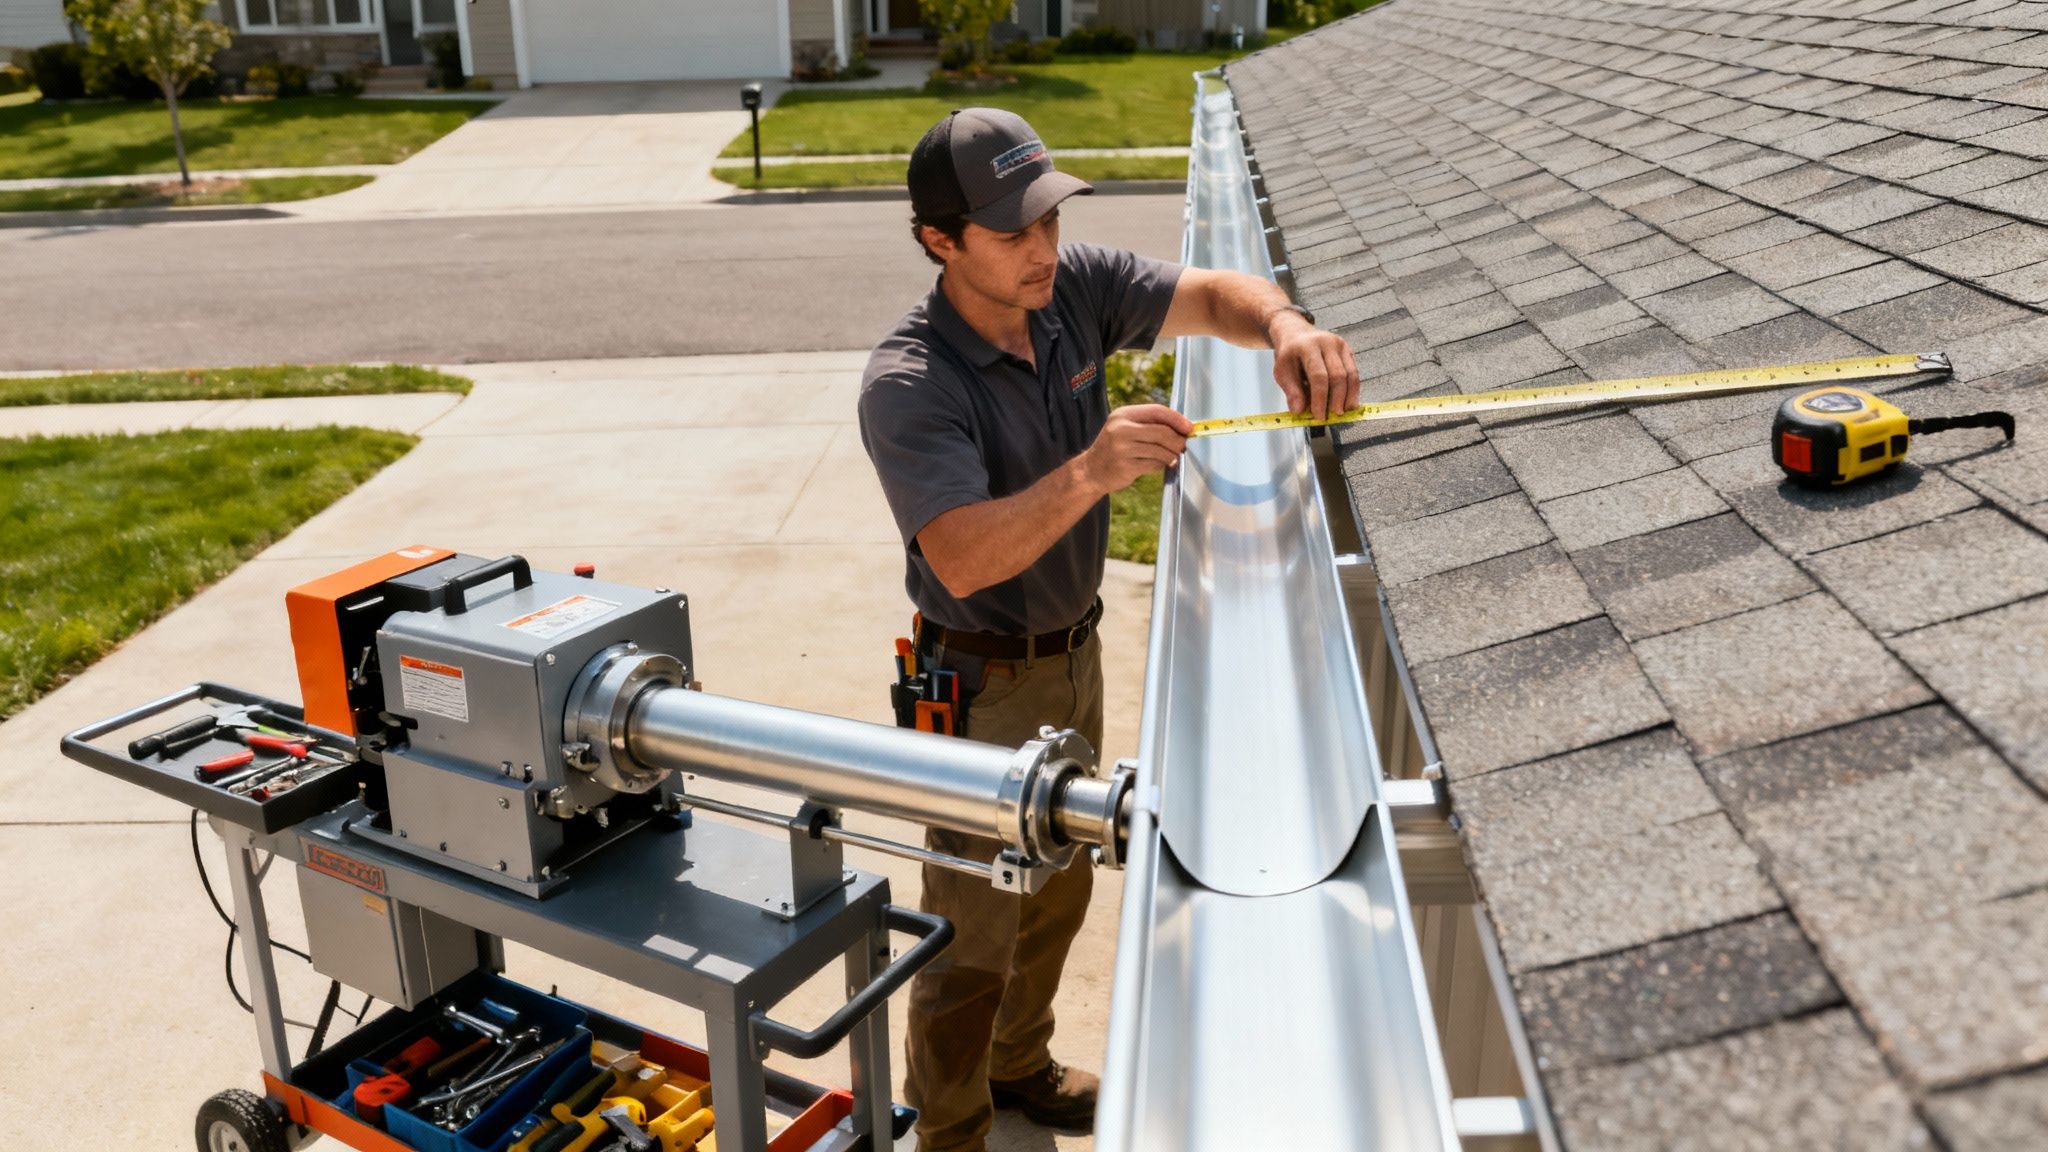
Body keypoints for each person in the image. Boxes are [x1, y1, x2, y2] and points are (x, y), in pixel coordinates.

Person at [857, 107, 1362, 1152]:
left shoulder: (1067, 290)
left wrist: (1284, 326)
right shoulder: (910, 383)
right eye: (1010, 232)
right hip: (979, 681)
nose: (1041, 247)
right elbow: (958, 555)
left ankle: (1020, 1066)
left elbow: (1217, 292)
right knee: (969, 928)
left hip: (1071, 654)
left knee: (1058, 887)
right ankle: (949, 1129)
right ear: (938, 242)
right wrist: (1092, 470)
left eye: (1047, 217)